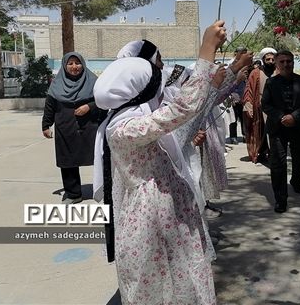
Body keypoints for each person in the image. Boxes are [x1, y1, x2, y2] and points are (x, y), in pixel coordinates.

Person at [93, 21, 227, 305]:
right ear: (140, 89)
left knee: (181, 280)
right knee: (160, 287)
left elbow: (177, 113)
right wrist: (205, 53)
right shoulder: (123, 128)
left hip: (165, 214)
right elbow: (181, 109)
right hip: (152, 221)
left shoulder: (129, 119)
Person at [261, 50, 300, 213]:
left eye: (289, 61)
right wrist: (281, 117)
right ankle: (280, 199)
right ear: (277, 64)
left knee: (299, 156)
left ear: (293, 62)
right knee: (278, 162)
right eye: (282, 62)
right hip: (278, 128)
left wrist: (295, 117)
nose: (286, 64)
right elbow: (265, 104)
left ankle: (296, 180)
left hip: (299, 126)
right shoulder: (271, 83)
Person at [42, 52, 99, 204]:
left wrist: (89, 106)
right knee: (67, 161)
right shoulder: (56, 84)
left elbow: (104, 101)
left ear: (83, 64)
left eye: (77, 63)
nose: (74, 67)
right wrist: (46, 125)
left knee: (100, 159)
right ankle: (73, 194)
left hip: (89, 128)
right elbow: (50, 106)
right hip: (65, 128)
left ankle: (105, 189)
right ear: (65, 65)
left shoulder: (94, 81)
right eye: (70, 63)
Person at [243, 47, 276, 163]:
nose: (271, 62)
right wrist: (248, 105)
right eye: (268, 59)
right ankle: (261, 153)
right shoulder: (256, 72)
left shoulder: (278, 71)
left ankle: (274, 153)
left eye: (273, 59)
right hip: (260, 107)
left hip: (276, 108)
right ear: (263, 60)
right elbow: (249, 90)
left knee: (274, 132)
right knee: (261, 131)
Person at [227, 47, 248, 145]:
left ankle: (245, 135)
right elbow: (228, 81)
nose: (243, 54)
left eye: (245, 52)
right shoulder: (231, 65)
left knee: (244, 117)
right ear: (236, 53)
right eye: (241, 53)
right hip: (233, 95)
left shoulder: (247, 64)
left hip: (244, 94)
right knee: (233, 118)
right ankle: (233, 136)